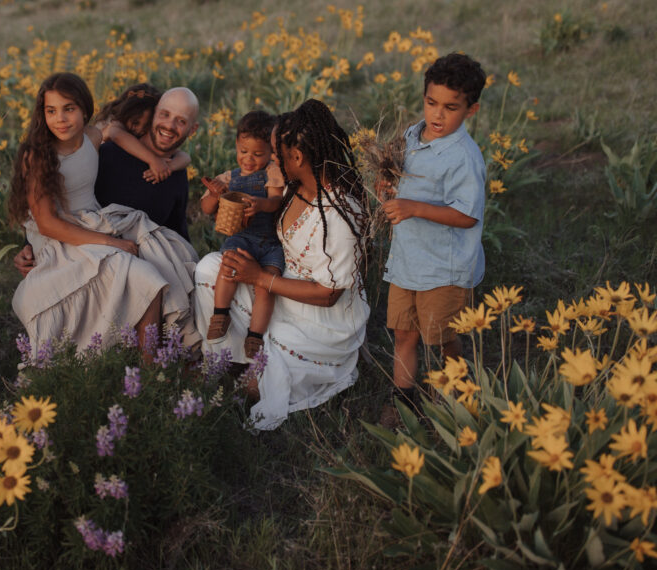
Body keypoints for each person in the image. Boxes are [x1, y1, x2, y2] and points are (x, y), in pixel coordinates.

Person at [194, 99, 370, 431]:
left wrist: (260, 277)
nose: (270, 163)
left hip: (321, 321)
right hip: (279, 286)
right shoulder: (294, 187)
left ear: (297, 157)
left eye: (275, 156)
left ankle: (260, 367)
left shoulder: (340, 214)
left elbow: (328, 294)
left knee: (256, 389)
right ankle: (229, 358)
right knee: (208, 268)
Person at [8, 73, 199, 355]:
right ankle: (145, 366)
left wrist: (164, 162)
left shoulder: (92, 137)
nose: (60, 119)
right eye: (51, 111)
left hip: (95, 224)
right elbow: (47, 223)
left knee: (153, 275)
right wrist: (111, 242)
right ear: (42, 114)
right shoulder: (39, 155)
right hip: (67, 236)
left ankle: (151, 365)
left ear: (85, 110)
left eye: (69, 109)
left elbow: (115, 131)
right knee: (146, 277)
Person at [378, 52, 487, 429]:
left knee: (441, 337)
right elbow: (404, 176)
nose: (438, 115)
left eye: (451, 108)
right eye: (431, 103)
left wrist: (414, 207)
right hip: (408, 260)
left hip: (444, 267)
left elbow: (467, 215)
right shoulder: (413, 135)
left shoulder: (463, 158)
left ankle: (459, 388)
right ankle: (403, 400)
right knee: (404, 332)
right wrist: (389, 183)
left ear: (470, 110)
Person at [14, 85, 200, 275]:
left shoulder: (177, 175)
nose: (169, 126)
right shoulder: (107, 154)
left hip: (132, 265)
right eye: (165, 115)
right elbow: (64, 202)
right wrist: (29, 246)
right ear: (154, 115)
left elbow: (176, 233)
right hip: (84, 257)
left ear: (192, 129)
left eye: (181, 121)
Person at [199, 110, 284, 360]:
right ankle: (220, 315)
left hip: (269, 242)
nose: (249, 159)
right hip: (242, 237)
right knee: (228, 266)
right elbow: (206, 209)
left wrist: (260, 204)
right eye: (243, 151)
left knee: (266, 286)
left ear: (270, 152)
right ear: (236, 145)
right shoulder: (228, 178)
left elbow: (276, 200)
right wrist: (215, 195)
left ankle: (255, 337)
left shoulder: (272, 172)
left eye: (258, 154)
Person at [93, 83, 191, 184]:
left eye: (147, 125)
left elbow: (185, 157)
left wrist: (168, 167)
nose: (140, 130)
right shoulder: (115, 123)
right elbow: (116, 134)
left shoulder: (142, 133)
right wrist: (154, 160)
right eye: (135, 123)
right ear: (125, 111)